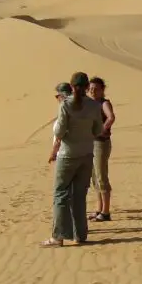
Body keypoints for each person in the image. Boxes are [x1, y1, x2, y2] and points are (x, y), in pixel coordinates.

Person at [41, 72, 104, 247]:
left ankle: (58, 236)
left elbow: (59, 131)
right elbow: (98, 130)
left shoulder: (66, 105)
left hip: (68, 155)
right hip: (86, 154)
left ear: (71, 86)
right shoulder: (93, 105)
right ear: (86, 87)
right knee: (79, 195)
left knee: (61, 194)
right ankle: (79, 235)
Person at [87, 76, 116, 222]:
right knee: (94, 176)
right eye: (90, 88)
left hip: (101, 143)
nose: (92, 91)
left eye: (95, 89)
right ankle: (99, 208)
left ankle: (106, 212)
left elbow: (111, 117)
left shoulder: (104, 103)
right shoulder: (90, 104)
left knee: (101, 175)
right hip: (91, 143)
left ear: (102, 90)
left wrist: (101, 129)